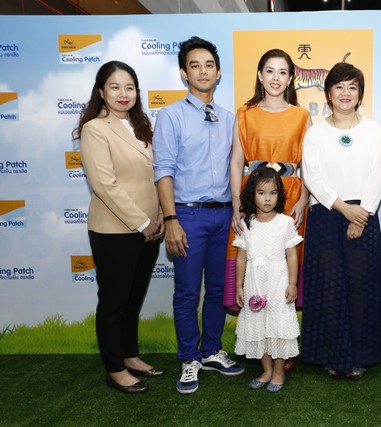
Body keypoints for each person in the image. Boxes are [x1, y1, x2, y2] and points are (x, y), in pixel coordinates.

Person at [153, 36, 244, 394]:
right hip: (187, 216)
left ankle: (211, 351)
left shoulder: (230, 119)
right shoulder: (171, 116)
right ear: (184, 73)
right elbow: (163, 171)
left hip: (225, 217)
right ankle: (189, 358)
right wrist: (171, 219)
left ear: (219, 73)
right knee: (188, 292)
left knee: (220, 289)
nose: (203, 71)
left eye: (209, 65)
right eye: (195, 65)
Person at [75, 60, 164, 393]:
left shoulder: (142, 126)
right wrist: (142, 222)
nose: (123, 93)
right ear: (101, 91)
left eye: (129, 87)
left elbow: (155, 176)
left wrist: (159, 216)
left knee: (132, 300)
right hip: (115, 230)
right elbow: (105, 184)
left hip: (150, 228)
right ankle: (114, 368)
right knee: (114, 302)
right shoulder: (95, 129)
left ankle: (130, 355)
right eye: (115, 87)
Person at [224, 48, 311, 375]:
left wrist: (304, 199)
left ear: (290, 79)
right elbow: (236, 161)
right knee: (256, 262)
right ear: (260, 75)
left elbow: (310, 164)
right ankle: (262, 347)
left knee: (284, 269)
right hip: (252, 195)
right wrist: (237, 202)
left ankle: (283, 346)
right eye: (270, 71)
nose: (276, 78)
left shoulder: (302, 116)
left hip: (291, 195)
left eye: (283, 72)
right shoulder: (244, 114)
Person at [301, 62, 381, 379]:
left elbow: (378, 175)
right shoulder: (315, 134)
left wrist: (360, 215)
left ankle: (360, 357)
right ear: (328, 93)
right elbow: (312, 177)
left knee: (360, 288)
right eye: (339, 86)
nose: (346, 93)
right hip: (327, 217)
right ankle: (331, 356)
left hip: (364, 215)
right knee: (329, 289)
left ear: (360, 94)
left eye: (353, 87)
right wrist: (344, 209)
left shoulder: (375, 131)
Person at [233, 167, 303, 393]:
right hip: (254, 283)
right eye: (261, 193)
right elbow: (241, 257)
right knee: (259, 327)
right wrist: (239, 286)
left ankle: (279, 372)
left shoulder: (285, 223)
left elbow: (292, 255)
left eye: (273, 193)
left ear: (279, 195)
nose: (267, 199)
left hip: (278, 282)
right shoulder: (246, 224)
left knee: (278, 328)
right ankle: (266, 370)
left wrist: (292, 283)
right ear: (252, 194)